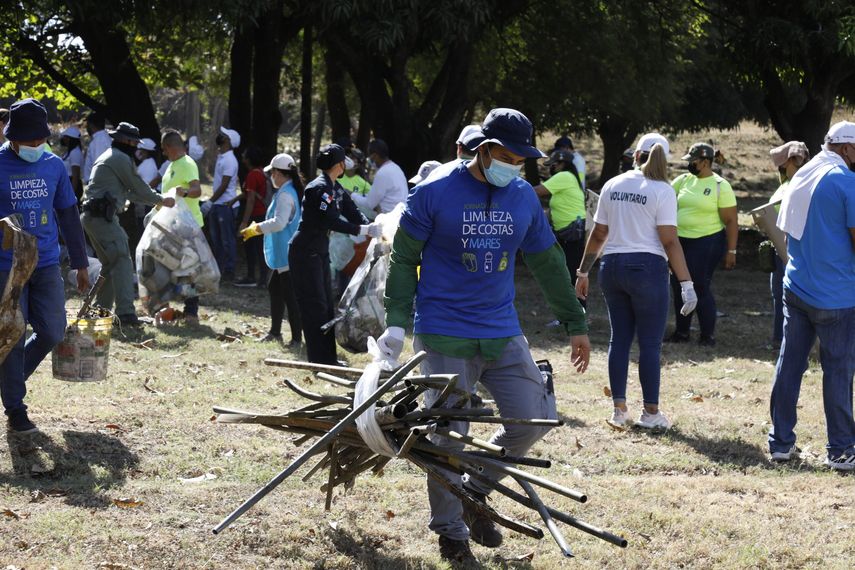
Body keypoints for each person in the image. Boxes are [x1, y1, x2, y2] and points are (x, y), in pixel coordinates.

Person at [376, 108, 591, 563]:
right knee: (449, 434)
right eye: (508, 155)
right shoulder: (434, 191)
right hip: (444, 332)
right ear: (484, 149)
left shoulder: (522, 197)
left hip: (501, 329)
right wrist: (396, 323)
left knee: (533, 418)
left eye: (521, 157)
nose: (515, 164)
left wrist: (575, 323)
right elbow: (403, 257)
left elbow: (548, 261)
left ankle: (473, 491)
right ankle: (451, 531)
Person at [575, 134, 696, 429]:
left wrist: (582, 271)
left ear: (635, 155)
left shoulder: (613, 184)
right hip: (647, 268)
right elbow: (669, 240)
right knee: (650, 344)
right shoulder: (663, 190)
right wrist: (687, 283)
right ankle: (651, 413)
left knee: (620, 339)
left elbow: (599, 233)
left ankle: (619, 409)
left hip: (612, 267)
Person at [769, 121, 855, 471]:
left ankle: (781, 443)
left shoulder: (803, 174)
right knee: (838, 369)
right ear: (847, 148)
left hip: (796, 284)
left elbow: (787, 233)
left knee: (790, 363)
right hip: (836, 294)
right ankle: (841, 449)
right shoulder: (845, 181)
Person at [0, 98, 90, 433]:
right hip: (7, 266)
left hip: (47, 263)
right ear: (12, 138)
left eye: (40, 141)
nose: (36, 147)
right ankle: (16, 408)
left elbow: (68, 213)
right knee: (14, 331)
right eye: (29, 142)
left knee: (52, 330)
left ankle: (11, 379)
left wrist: (80, 263)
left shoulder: (53, 166)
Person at [289, 144, 381, 364]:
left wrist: (371, 226)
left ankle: (328, 357)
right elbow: (328, 219)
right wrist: (360, 230)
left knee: (326, 305)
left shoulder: (335, 187)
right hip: (305, 251)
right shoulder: (319, 188)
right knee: (315, 306)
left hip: (319, 250)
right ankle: (319, 359)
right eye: (344, 160)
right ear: (339, 164)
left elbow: (351, 210)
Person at [81, 122, 176, 326]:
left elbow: (131, 193)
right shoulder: (120, 158)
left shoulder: (110, 156)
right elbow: (139, 188)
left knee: (110, 264)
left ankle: (100, 311)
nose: (135, 146)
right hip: (101, 217)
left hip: (93, 217)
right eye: (133, 142)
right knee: (123, 260)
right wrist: (162, 200)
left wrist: (155, 199)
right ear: (125, 141)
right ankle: (125, 314)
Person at [667, 142, 737, 346]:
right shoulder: (682, 180)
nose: (689, 164)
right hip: (680, 241)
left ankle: (707, 335)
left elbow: (731, 221)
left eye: (693, 161)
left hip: (708, 241)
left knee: (699, 285)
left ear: (706, 162)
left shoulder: (720, 186)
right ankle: (682, 332)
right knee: (680, 285)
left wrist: (731, 250)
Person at [240, 153, 303, 347]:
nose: (270, 177)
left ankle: (296, 340)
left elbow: (279, 223)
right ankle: (275, 332)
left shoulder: (285, 194)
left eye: (272, 173)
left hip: (286, 252)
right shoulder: (291, 189)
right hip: (287, 251)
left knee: (290, 297)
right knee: (274, 288)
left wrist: (255, 229)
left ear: (277, 173)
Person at [767, 141, 809, 346]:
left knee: (791, 296)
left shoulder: (803, 183)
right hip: (779, 245)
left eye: (784, 161)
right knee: (778, 294)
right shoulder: (786, 183)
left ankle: (790, 341)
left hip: (794, 249)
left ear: (793, 160)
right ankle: (778, 339)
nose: (780, 166)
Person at [160, 130, 203, 325]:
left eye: (164, 149)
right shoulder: (171, 166)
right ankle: (167, 309)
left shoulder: (187, 163)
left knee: (188, 271)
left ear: (170, 147)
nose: (163, 153)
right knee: (169, 268)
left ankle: (191, 312)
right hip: (172, 226)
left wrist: (184, 192)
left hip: (188, 226)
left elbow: (197, 190)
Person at [533, 149, 586, 304]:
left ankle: (577, 314)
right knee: (567, 274)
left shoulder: (564, 176)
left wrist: (515, 186)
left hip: (572, 234)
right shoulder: (568, 179)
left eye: (554, 165)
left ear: (562, 164)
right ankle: (572, 315)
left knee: (570, 274)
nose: (552, 168)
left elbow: (536, 191)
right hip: (567, 234)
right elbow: (555, 208)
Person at [235, 146, 269, 287]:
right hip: (261, 214)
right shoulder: (261, 173)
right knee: (258, 246)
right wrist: (232, 200)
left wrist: (244, 222)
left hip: (255, 216)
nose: (242, 156)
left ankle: (253, 277)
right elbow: (249, 194)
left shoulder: (252, 175)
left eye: (244, 155)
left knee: (252, 246)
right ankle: (261, 278)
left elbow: (250, 199)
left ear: (248, 159)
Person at [210, 126, 241, 280]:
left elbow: (224, 185)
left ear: (228, 141)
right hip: (219, 205)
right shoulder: (222, 156)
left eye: (224, 135)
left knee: (226, 239)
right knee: (217, 240)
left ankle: (229, 271)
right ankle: (220, 269)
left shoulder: (229, 160)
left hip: (225, 206)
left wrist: (210, 201)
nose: (220, 136)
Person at [351, 139, 408, 215]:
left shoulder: (383, 173)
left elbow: (369, 204)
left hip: (389, 218)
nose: (369, 159)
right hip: (400, 215)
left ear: (375, 156)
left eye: (370, 155)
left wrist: (352, 195)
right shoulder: (396, 168)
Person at [134, 138, 160, 236]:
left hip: (144, 202)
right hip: (143, 200)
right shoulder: (149, 163)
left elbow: (148, 184)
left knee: (143, 226)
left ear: (144, 151)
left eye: (139, 149)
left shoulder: (148, 164)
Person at [82, 112, 111, 186]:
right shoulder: (101, 138)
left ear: (91, 125)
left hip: (98, 185)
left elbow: (99, 165)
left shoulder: (100, 140)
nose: (86, 128)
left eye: (87, 125)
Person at [59, 126, 84, 201]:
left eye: (65, 137)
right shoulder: (69, 152)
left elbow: (75, 176)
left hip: (72, 186)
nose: (63, 139)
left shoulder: (75, 153)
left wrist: (71, 194)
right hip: (67, 184)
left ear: (69, 139)